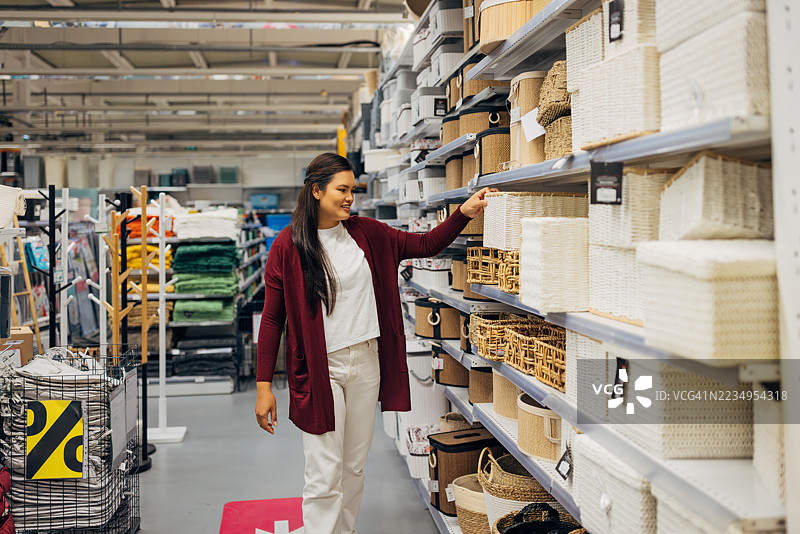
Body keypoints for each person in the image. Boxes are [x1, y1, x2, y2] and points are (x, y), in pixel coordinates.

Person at [255, 152, 495, 534]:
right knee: (323, 471)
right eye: (341, 190)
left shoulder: (370, 233)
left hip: (367, 362)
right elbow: (272, 319)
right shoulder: (288, 246)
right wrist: (264, 385)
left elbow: (427, 243)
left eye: (353, 190)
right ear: (316, 191)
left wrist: (463, 212)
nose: (349, 197)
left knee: (353, 467)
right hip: (322, 370)